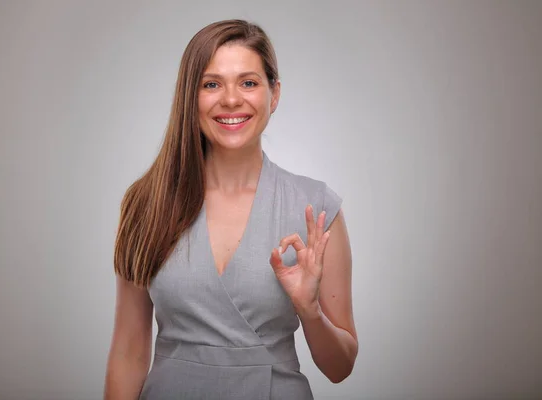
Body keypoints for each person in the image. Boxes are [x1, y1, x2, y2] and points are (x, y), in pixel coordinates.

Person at [104, 19, 358, 400]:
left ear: (274, 94)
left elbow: (340, 368)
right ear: (190, 97)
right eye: (211, 84)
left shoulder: (317, 209)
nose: (231, 99)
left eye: (248, 82)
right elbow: (128, 351)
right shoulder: (146, 203)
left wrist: (310, 312)